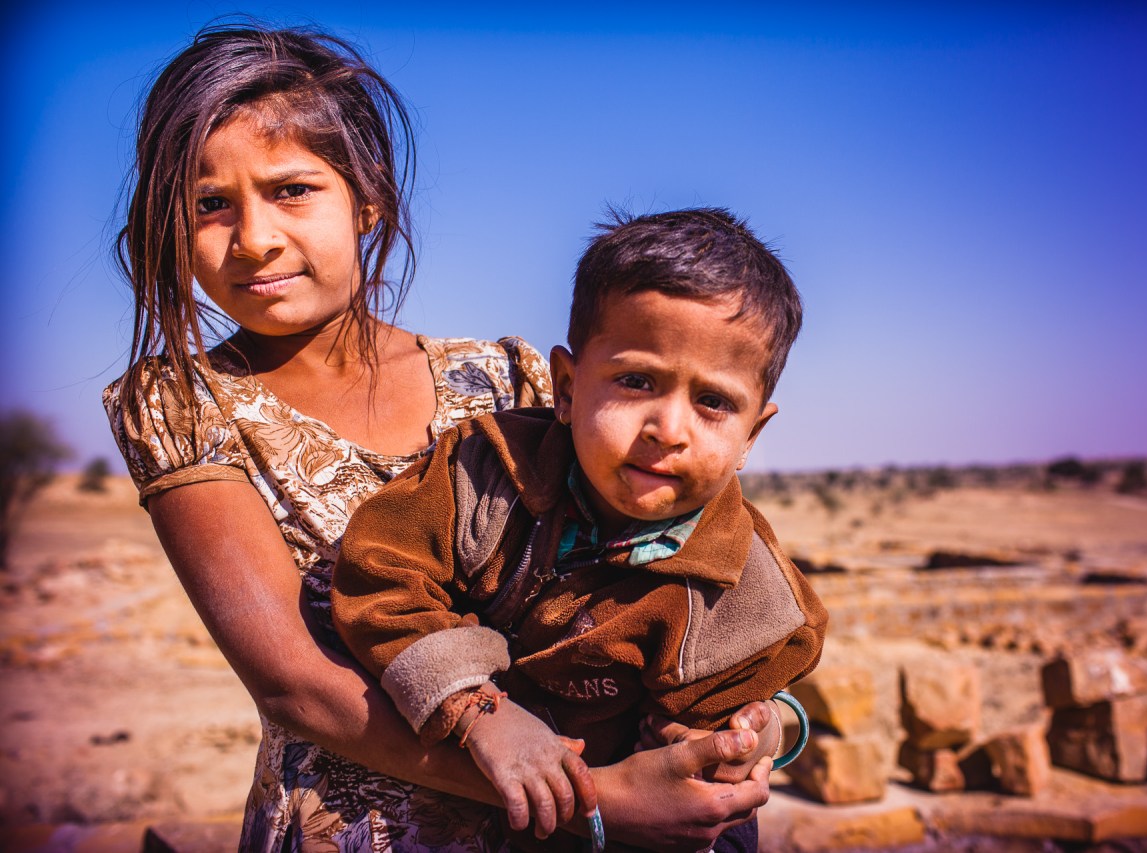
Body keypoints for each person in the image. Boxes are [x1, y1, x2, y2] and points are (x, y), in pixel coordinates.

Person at [103, 24, 774, 852]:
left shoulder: (507, 379)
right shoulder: (179, 403)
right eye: (211, 205)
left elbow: (653, 579)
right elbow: (296, 687)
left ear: (368, 199)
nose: (254, 238)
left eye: (292, 190)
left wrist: (748, 721)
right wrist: (595, 795)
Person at [331, 208, 828, 851]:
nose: (668, 429)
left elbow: (733, 727)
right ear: (565, 387)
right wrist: (484, 714)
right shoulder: (483, 476)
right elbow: (379, 578)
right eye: (636, 381)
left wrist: (740, 737)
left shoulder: (745, 588)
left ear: (751, 435)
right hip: (465, 793)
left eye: (713, 402)